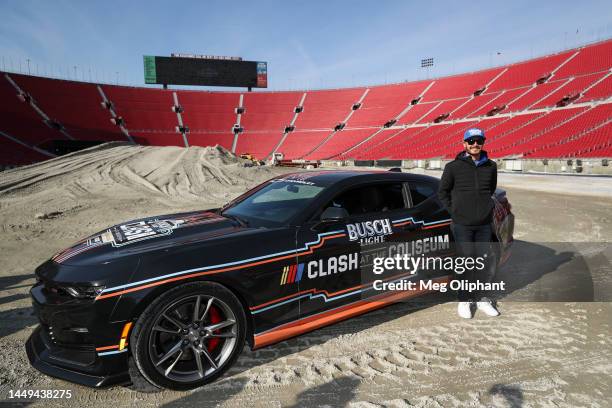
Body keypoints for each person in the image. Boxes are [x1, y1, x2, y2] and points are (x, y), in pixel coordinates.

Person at [438, 127, 500, 319]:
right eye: (471, 141)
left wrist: (486, 209)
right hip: (462, 225)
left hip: (483, 224)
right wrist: (455, 212)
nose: (475, 144)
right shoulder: (452, 167)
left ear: (483, 143)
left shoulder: (491, 166)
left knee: (481, 262)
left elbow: (490, 190)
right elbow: (443, 193)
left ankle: (481, 298)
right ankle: (464, 299)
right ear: (464, 144)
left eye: (479, 141)